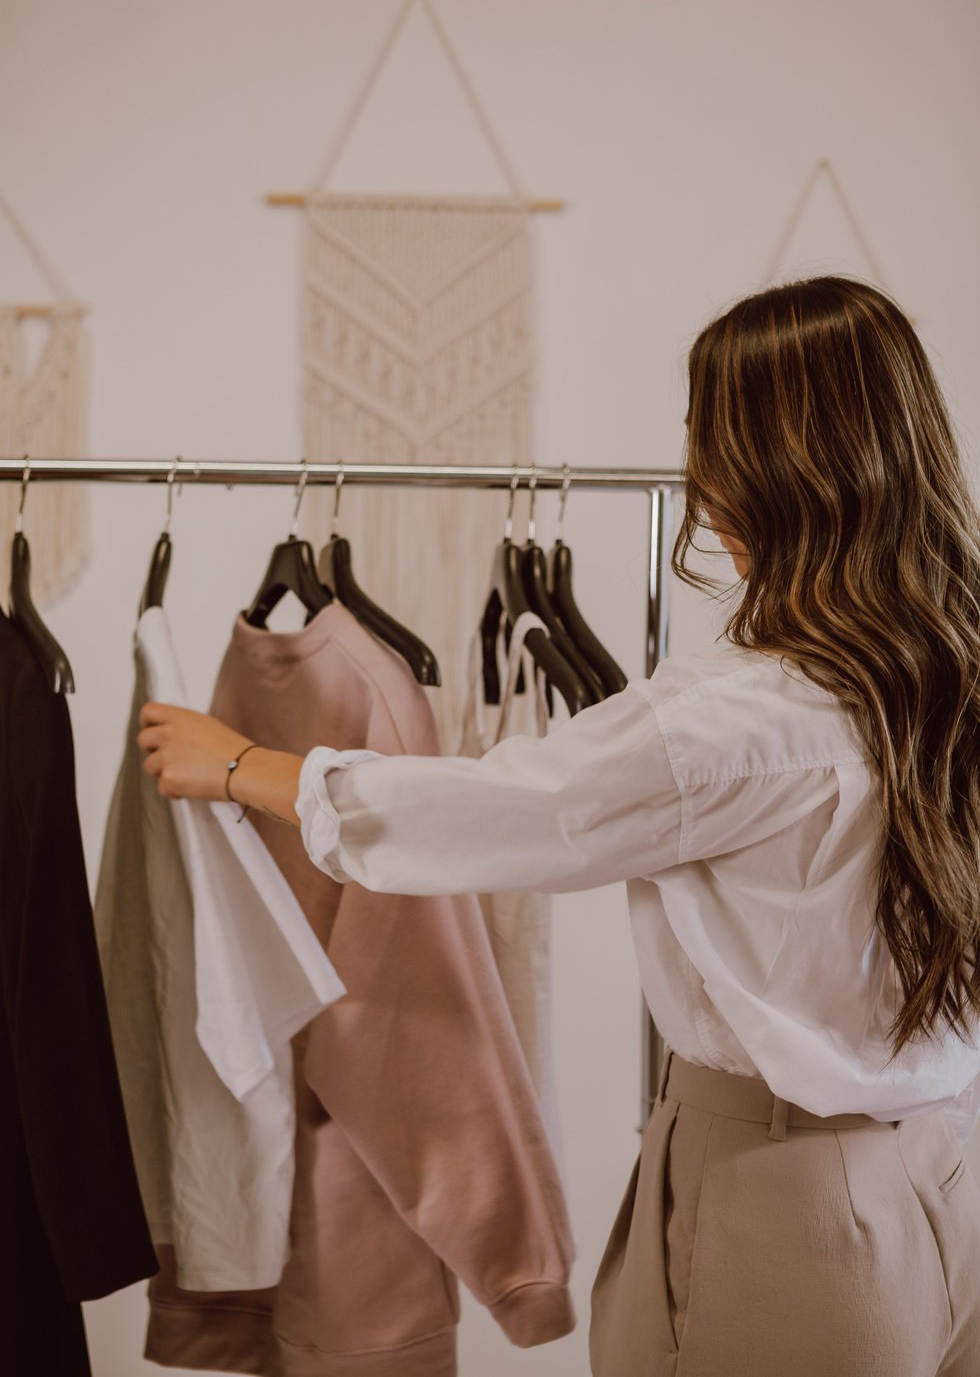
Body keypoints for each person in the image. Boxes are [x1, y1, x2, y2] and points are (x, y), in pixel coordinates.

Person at [137, 275, 980, 1377]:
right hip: (943, 1176)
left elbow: (502, 810)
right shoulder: (943, 675)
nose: (693, 471)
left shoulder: (733, 719)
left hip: (783, 1191)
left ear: (767, 463)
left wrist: (242, 765)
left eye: (704, 435)